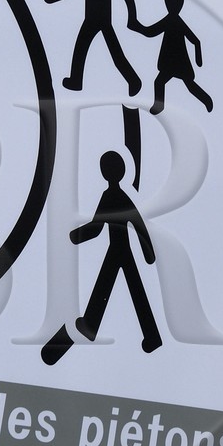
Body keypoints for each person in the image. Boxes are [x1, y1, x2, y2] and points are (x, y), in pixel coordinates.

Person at [71, 151, 161, 353]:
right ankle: (150, 335)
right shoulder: (120, 196)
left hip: (119, 248)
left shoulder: (110, 196)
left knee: (120, 286)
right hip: (120, 248)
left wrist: (74, 236)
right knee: (130, 289)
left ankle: (92, 325)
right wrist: (148, 252)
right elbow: (138, 225)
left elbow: (96, 227)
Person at [136, 0, 213, 114]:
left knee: (172, 83)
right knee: (166, 82)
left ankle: (206, 100)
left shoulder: (173, 20)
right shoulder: (174, 20)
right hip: (174, 59)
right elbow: (195, 41)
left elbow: (150, 32)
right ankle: (160, 105)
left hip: (175, 59)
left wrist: (137, 27)